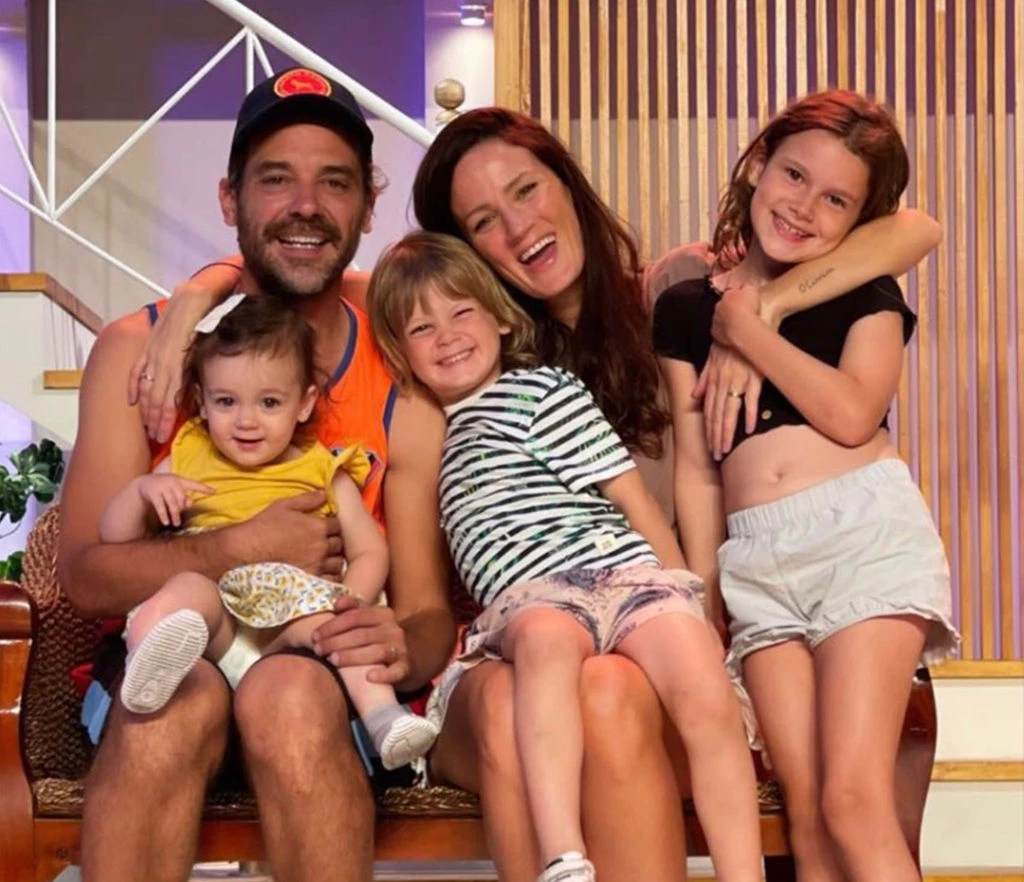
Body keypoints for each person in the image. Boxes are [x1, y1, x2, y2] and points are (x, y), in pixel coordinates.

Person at [130, 107, 941, 881]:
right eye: (484, 221)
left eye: (527, 190)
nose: (519, 229)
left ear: (566, 182)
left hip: (665, 624)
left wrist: (753, 314)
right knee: (553, 688)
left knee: (611, 689)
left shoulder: (680, 294)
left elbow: (908, 230)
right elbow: (315, 273)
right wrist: (201, 292)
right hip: (525, 637)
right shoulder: (462, 353)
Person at [57, 67, 454, 882]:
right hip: (172, 654)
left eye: (334, 182)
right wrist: (234, 548)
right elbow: (86, 579)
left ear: (368, 207)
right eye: (275, 179)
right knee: (172, 706)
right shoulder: (140, 351)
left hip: (316, 670)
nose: (306, 205)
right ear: (229, 198)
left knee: (291, 699)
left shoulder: (403, 371)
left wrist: (395, 645)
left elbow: (424, 614)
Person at [368, 230, 761, 882]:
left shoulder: (543, 389)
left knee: (701, 681)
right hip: (533, 596)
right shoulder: (425, 431)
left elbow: (631, 499)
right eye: (421, 328)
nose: (447, 336)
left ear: (499, 317)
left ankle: (743, 873)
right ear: (398, 351)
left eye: (462, 312)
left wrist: (685, 596)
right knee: (544, 646)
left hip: (624, 572)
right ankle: (564, 857)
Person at [653, 90, 958, 882]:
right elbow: (697, 466)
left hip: (860, 536)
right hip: (757, 560)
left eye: (835, 200)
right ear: (758, 164)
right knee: (810, 820)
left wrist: (748, 330)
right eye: (793, 175)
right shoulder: (684, 309)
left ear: (861, 218)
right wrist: (705, 589)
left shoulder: (865, 286)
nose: (803, 207)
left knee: (855, 802)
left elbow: (853, 415)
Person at [100, 294, 438, 769]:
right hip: (215, 627)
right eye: (226, 401)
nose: (246, 421)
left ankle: (385, 720)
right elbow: (114, 539)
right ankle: (147, 664)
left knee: (338, 636)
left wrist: (351, 603)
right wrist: (141, 494)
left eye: (269, 402)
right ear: (202, 401)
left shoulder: (321, 469)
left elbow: (370, 551)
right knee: (186, 590)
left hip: (287, 628)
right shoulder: (188, 456)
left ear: (304, 404)